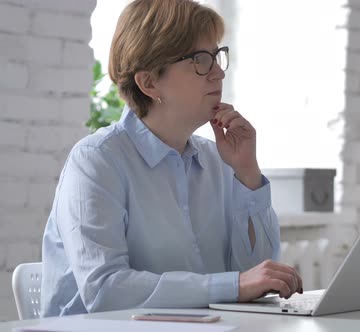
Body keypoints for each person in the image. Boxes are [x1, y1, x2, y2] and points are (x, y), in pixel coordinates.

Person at [41, 0, 302, 317]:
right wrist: (232, 286)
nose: (218, 72)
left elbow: (256, 279)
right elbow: (105, 290)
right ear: (149, 82)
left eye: (217, 56)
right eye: (201, 60)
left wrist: (247, 173)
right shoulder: (97, 161)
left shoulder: (219, 160)